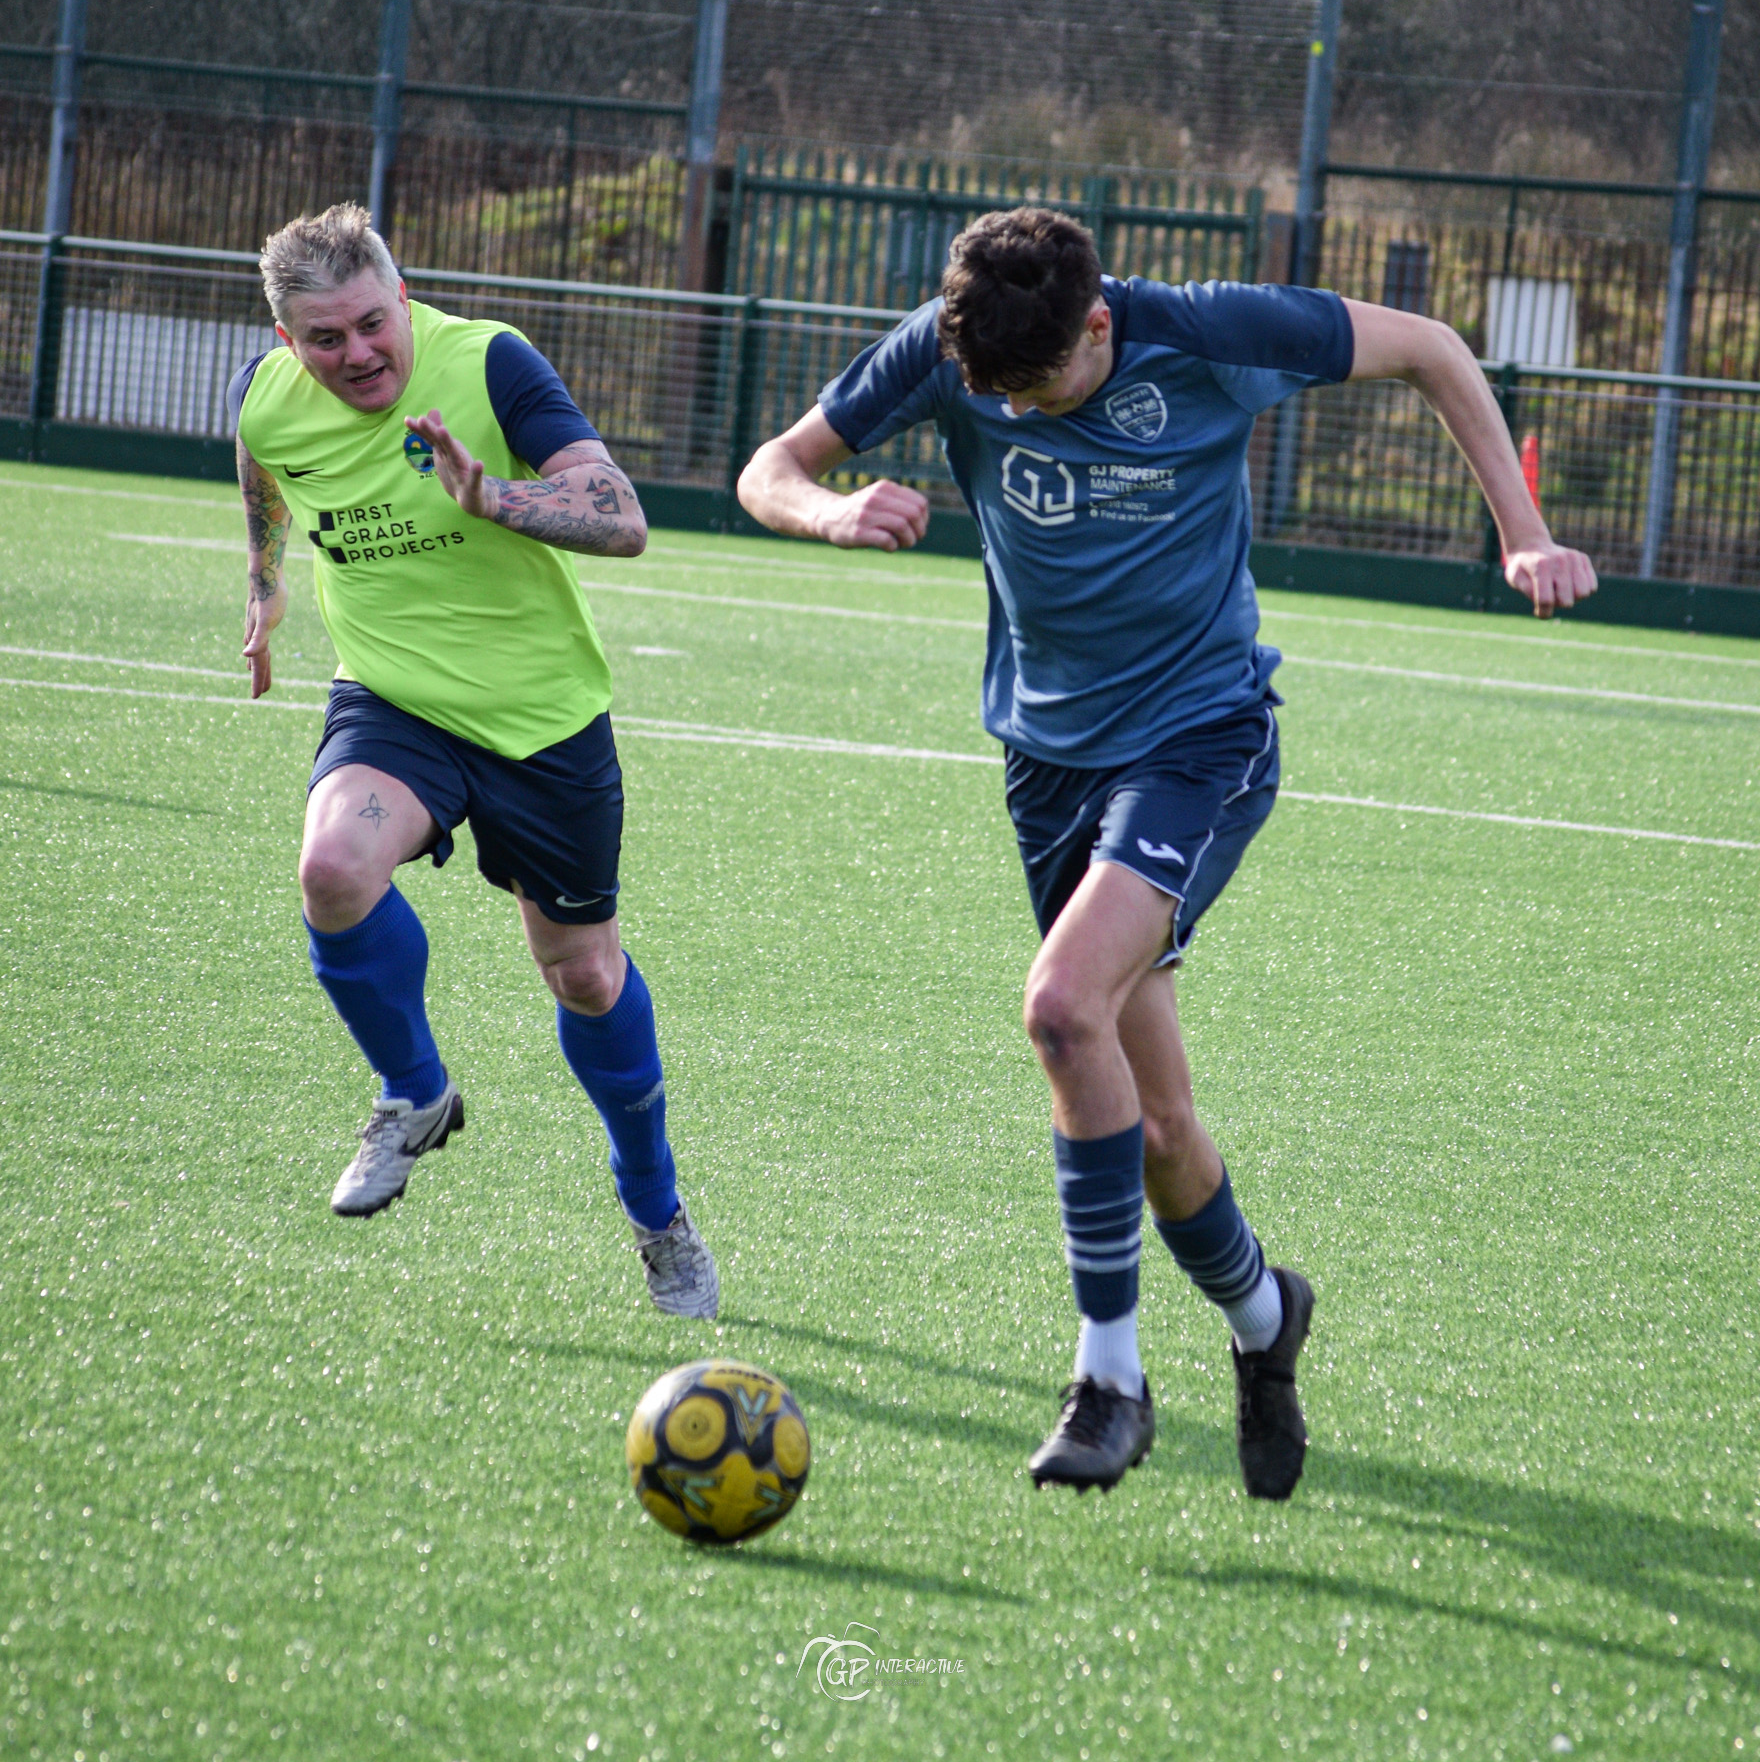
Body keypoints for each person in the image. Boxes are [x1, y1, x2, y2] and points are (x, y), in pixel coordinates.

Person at [737, 206, 1595, 1495]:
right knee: (1156, 1127)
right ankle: (1263, 1318)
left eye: (1038, 388)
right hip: (1044, 760)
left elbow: (1429, 346)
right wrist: (825, 511)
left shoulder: (1203, 333)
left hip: (1198, 739)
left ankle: (1109, 1378)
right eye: (990, 394)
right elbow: (770, 467)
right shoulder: (950, 343)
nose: (1012, 415)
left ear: (1097, 325)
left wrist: (1518, 525)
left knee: (1059, 1007)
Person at [229, 201, 718, 1319]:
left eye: (369, 324)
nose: (355, 353)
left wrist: (488, 494)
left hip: (543, 721)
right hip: (394, 701)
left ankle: (654, 1207)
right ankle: (414, 1093)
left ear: (402, 299)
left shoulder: (488, 360)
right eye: (324, 338)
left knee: (584, 974)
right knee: (333, 871)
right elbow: (261, 463)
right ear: (287, 344)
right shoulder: (268, 396)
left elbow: (620, 515)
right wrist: (264, 582)